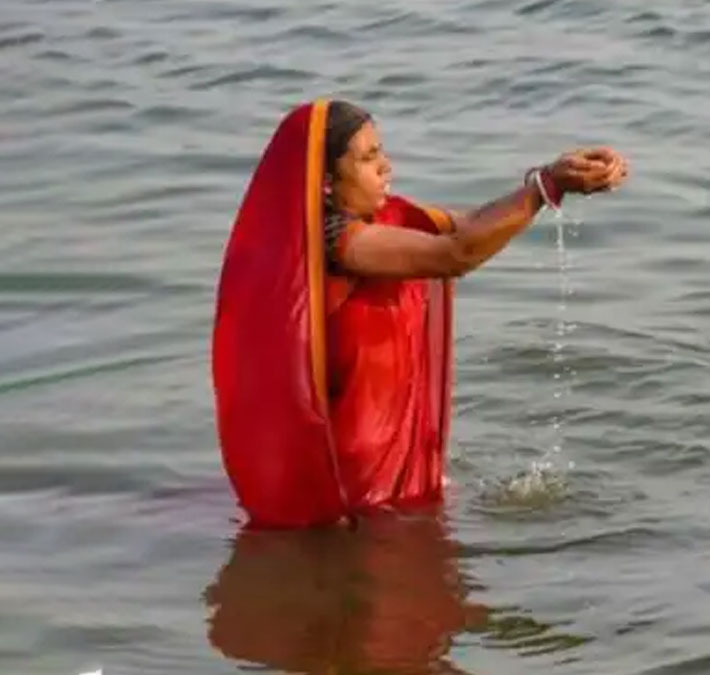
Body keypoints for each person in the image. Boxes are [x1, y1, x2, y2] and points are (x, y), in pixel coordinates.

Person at [212, 99, 628, 528]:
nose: (386, 166)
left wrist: (550, 177)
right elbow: (456, 254)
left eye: (382, 151)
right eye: (369, 158)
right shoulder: (337, 245)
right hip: (355, 491)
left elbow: (468, 226)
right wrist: (544, 188)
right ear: (326, 183)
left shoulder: (387, 221)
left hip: (391, 479)